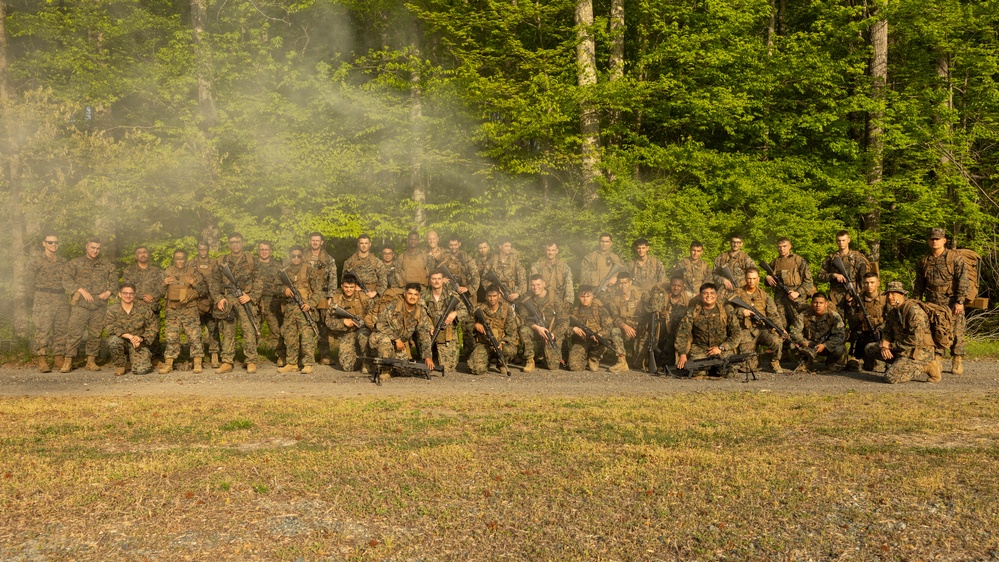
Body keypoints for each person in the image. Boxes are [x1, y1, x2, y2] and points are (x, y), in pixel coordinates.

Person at [913, 228, 969, 374]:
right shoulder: (924, 261)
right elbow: (919, 284)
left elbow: (963, 280)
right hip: (932, 301)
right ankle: (937, 357)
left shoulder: (954, 258)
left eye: (937, 239)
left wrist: (960, 301)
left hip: (950, 300)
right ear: (928, 241)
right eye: (932, 239)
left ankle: (957, 359)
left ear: (944, 240)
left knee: (956, 330)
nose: (934, 241)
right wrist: (916, 302)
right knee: (935, 329)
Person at [865, 281, 942, 384]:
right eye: (888, 294)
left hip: (918, 352)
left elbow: (916, 339)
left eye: (893, 294)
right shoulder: (893, 312)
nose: (890, 297)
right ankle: (901, 364)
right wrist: (884, 345)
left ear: (902, 294)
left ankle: (927, 366)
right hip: (901, 349)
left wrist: (891, 346)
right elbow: (887, 331)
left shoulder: (914, 311)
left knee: (891, 378)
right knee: (870, 348)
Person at [62, 237, 118, 373]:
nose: (95, 251)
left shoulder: (107, 265)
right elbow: (66, 279)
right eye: (93, 247)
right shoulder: (75, 263)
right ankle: (68, 361)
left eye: (98, 248)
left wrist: (109, 291)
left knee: (95, 333)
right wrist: (80, 290)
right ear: (86, 247)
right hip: (81, 305)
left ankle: (91, 361)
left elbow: (114, 281)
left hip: (99, 305)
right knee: (74, 333)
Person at [210, 232, 262, 374]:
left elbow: (259, 280)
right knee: (227, 331)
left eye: (238, 241)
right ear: (228, 244)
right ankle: (227, 361)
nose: (235, 245)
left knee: (249, 330)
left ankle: (251, 360)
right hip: (228, 299)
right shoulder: (221, 260)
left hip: (245, 298)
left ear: (243, 243)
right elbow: (213, 281)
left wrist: (251, 296)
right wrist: (219, 298)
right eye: (232, 242)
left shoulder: (251, 260)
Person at [369, 283, 435, 382]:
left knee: (404, 369)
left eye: (415, 295)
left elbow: (423, 335)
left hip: (399, 345)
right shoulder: (394, 306)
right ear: (404, 294)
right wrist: (396, 338)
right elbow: (380, 325)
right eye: (410, 294)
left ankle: (383, 366)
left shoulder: (420, 311)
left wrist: (427, 357)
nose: (412, 297)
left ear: (419, 296)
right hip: (382, 338)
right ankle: (384, 371)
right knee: (385, 341)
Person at [674, 283, 742, 377]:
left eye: (712, 293)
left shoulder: (726, 310)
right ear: (700, 295)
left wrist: (721, 348)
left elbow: (736, 333)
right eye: (705, 293)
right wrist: (682, 354)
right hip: (700, 349)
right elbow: (682, 334)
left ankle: (714, 368)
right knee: (698, 373)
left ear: (716, 295)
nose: (709, 296)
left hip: (721, 349)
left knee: (729, 373)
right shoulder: (692, 312)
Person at [159, 249, 208, 374]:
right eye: (177, 258)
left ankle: (197, 362)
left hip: (189, 309)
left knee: (194, 336)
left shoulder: (193, 272)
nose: (180, 261)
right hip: (172, 310)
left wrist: (194, 283)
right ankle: (169, 363)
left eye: (182, 258)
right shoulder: (167, 272)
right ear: (174, 259)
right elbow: (158, 292)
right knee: (171, 337)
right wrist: (164, 283)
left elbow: (204, 290)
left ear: (186, 259)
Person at [25, 234, 69, 372]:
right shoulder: (36, 261)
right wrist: (37, 296)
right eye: (50, 242)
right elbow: (28, 281)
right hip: (43, 296)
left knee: (61, 329)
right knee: (42, 329)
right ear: (44, 243)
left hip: (60, 297)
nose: (53, 245)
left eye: (56, 242)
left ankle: (58, 358)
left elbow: (68, 280)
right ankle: (42, 359)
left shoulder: (63, 261)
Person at [279, 247, 324, 374]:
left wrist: (310, 303)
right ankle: (292, 363)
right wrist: (284, 290)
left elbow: (318, 291)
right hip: (290, 308)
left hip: (305, 308)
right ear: (290, 256)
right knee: (290, 336)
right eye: (293, 256)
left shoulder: (310, 270)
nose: (296, 258)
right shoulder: (285, 271)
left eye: (298, 256)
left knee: (307, 337)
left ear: (302, 256)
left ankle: (308, 363)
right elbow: (275, 287)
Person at [734, 268, 786, 373]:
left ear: (758, 279)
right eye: (749, 278)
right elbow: (727, 310)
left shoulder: (764, 295)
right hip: (745, 331)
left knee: (776, 340)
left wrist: (781, 329)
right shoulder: (737, 294)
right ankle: (756, 359)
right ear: (745, 278)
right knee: (747, 367)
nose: (751, 281)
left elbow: (773, 315)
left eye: (754, 278)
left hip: (761, 329)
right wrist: (741, 311)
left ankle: (774, 361)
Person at [568, 285, 628, 372]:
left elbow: (609, 326)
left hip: (597, 342)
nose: (585, 299)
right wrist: (573, 329)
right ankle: (584, 358)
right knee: (574, 367)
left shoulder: (600, 310)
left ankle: (593, 358)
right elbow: (563, 325)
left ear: (593, 296)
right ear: (578, 297)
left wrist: (600, 334)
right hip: (581, 342)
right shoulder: (573, 311)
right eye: (582, 296)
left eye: (588, 296)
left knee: (594, 367)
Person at [103, 284, 159, 376]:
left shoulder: (143, 309)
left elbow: (153, 326)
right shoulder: (112, 310)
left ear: (135, 295)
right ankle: (121, 365)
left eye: (131, 293)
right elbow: (109, 327)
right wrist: (129, 336)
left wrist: (141, 338)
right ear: (120, 294)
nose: (128, 296)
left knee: (141, 370)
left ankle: (133, 361)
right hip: (122, 340)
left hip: (138, 343)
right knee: (113, 341)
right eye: (125, 293)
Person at [517, 274, 569, 371]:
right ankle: (530, 360)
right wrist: (537, 327)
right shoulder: (526, 298)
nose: (535, 287)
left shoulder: (554, 298)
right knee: (524, 330)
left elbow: (564, 320)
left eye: (538, 284)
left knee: (552, 366)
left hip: (551, 333)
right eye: (533, 285)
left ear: (544, 284)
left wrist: (554, 333)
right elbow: (523, 317)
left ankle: (541, 353)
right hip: (536, 330)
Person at [122, 245, 165, 361]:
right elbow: (127, 287)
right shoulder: (129, 271)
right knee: (133, 331)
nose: (142, 254)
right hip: (135, 306)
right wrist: (141, 296)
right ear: (136, 256)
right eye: (140, 252)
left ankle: (156, 358)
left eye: (145, 252)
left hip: (152, 306)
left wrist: (153, 296)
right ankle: (131, 358)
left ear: (148, 254)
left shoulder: (157, 271)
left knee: (154, 332)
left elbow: (163, 288)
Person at [325, 273, 373, 373]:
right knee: (348, 367)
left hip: (363, 330)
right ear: (342, 286)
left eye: (351, 287)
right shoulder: (336, 300)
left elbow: (374, 313)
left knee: (364, 337)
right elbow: (328, 321)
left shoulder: (363, 298)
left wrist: (366, 322)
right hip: (347, 333)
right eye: (346, 287)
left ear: (355, 287)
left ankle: (366, 363)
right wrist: (343, 322)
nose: (348, 290)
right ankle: (358, 356)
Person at [765, 238, 814, 334]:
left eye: (784, 246)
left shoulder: (798, 260)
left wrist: (798, 292)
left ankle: (799, 346)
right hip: (780, 298)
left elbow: (808, 281)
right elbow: (769, 282)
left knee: (800, 325)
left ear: (790, 246)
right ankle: (784, 347)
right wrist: (767, 277)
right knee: (781, 326)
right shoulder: (775, 262)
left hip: (795, 297)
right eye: (779, 247)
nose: (782, 249)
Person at [468, 286, 520, 375]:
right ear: (486, 297)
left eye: (494, 296)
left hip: (500, 344)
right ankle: (486, 361)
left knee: (509, 350)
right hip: (484, 344)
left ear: (499, 296)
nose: (492, 299)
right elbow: (467, 322)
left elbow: (512, 332)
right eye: (490, 296)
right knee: (477, 369)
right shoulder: (479, 308)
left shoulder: (506, 309)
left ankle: (501, 364)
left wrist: (503, 343)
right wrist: (475, 325)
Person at [423, 270, 467, 374]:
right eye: (433, 279)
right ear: (429, 281)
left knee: (447, 369)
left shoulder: (452, 295)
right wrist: (429, 326)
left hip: (446, 335)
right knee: (426, 367)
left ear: (443, 280)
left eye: (439, 279)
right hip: (429, 334)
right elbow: (420, 314)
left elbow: (465, 310)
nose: (436, 281)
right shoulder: (424, 296)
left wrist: (455, 313)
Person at [789, 293, 846, 372]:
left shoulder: (834, 316)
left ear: (826, 304)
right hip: (809, 344)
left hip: (825, 346)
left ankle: (830, 362)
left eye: (821, 303)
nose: (818, 305)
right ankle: (805, 361)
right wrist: (803, 342)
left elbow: (840, 336)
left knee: (839, 349)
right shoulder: (804, 315)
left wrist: (825, 345)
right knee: (793, 345)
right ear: (812, 303)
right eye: (815, 302)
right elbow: (794, 332)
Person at [817, 230, 870, 311]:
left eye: (843, 240)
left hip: (853, 295)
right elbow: (820, 276)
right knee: (837, 322)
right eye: (839, 240)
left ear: (848, 240)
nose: (841, 243)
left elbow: (865, 279)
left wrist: (858, 295)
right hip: (836, 298)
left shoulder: (858, 258)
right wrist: (833, 275)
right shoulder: (831, 258)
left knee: (855, 321)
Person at [306, 232, 337, 365]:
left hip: (323, 296)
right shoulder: (302, 256)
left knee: (323, 327)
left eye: (317, 240)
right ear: (309, 241)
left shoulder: (328, 259)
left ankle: (324, 355)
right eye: (313, 240)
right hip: (307, 296)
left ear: (322, 242)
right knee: (307, 325)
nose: (315, 243)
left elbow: (333, 278)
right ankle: (307, 356)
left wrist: (331, 296)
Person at [845, 272, 887, 371]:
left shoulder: (885, 298)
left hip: (879, 335)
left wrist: (879, 327)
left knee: (877, 368)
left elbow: (891, 320)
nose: (869, 285)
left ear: (878, 283)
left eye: (872, 282)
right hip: (862, 335)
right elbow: (849, 318)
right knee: (853, 367)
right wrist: (858, 317)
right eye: (866, 283)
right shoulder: (858, 298)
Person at [645, 275, 690, 368]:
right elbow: (650, 308)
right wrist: (660, 313)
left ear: (682, 287)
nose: (676, 288)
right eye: (673, 285)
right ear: (670, 285)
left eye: (678, 286)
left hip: (679, 331)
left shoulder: (687, 300)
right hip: (662, 330)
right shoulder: (663, 297)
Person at [254, 240, 286, 365]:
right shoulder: (253, 265)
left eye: (266, 249)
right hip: (255, 301)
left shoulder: (278, 266)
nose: (264, 252)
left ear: (271, 251)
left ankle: (281, 355)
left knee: (276, 330)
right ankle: (251, 357)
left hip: (273, 301)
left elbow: (283, 284)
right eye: (261, 249)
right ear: (258, 251)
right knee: (253, 329)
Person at [606, 271, 646, 367]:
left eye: (625, 283)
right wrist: (624, 326)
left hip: (640, 330)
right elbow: (614, 317)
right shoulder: (614, 300)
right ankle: (621, 360)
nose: (623, 286)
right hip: (625, 330)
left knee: (637, 364)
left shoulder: (641, 296)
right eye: (620, 283)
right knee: (615, 331)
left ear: (630, 283)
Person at [193, 241, 222, 368]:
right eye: (201, 248)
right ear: (198, 249)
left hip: (211, 301)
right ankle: (197, 357)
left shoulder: (215, 263)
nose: (203, 251)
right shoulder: (191, 263)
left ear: (208, 249)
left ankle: (214, 354)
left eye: (205, 249)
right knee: (196, 331)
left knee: (213, 329)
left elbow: (220, 280)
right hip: (196, 302)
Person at [530, 241, 574, 306]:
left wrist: (568, 302)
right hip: (541, 303)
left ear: (557, 251)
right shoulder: (537, 266)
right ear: (545, 251)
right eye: (548, 250)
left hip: (560, 302)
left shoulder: (564, 267)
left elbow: (569, 287)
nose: (550, 252)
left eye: (553, 250)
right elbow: (532, 287)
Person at [484, 237, 526, 303]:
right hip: (495, 296)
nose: (509, 248)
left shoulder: (514, 261)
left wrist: (517, 293)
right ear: (500, 246)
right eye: (506, 246)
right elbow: (483, 279)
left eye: (510, 246)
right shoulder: (492, 260)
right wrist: (494, 287)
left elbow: (523, 280)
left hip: (511, 295)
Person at [343, 234, 386, 298]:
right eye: (361, 243)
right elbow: (344, 281)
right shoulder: (350, 262)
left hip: (372, 296)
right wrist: (353, 286)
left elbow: (383, 282)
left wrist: (375, 292)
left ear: (370, 244)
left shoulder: (377, 262)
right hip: (354, 296)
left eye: (366, 243)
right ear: (358, 244)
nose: (364, 245)